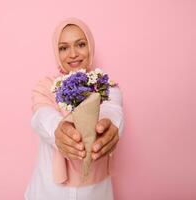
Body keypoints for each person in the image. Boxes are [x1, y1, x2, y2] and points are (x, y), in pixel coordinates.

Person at [25, 17, 124, 200]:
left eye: (80, 44)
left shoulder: (107, 86)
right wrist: (60, 131)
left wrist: (109, 125)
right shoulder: (46, 87)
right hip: (49, 191)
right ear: (56, 51)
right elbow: (42, 115)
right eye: (63, 48)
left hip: (95, 192)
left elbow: (112, 110)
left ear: (90, 47)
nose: (73, 54)